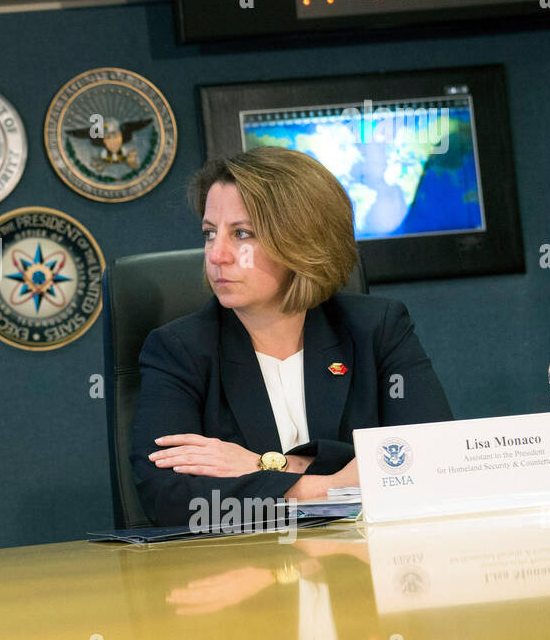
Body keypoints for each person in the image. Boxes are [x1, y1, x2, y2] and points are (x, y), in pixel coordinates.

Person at [129, 146, 453, 526]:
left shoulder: (377, 328)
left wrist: (264, 465)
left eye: (243, 234)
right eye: (209, 233)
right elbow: (168, 500)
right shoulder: (179, 350)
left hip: (366, 567)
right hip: (245, 573)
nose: (216, 255)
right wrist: (331, 483)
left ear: (302, 241)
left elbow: (432, 458)